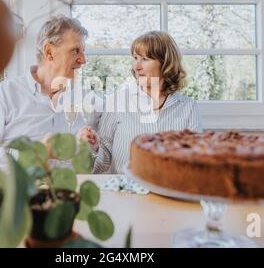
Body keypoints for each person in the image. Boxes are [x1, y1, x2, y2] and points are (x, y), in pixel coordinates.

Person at [0, 15, 101, 170]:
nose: (83, 60)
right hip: (19, 191)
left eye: (83, 51)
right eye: (75, 51)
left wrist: (91, 146)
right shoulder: (4, 94)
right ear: (49, 52)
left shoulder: (88, 100)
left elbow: (96, 157)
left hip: (71, 191)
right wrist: (36, 153)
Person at [78, 31, 202, 174]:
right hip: (126, 192)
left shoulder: (188, 107)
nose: (136, 67)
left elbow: (195, 162)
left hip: (170, 191)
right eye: (135, 58)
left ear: (165, 63)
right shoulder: (118, 101)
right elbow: (101, 164)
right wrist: (94, 148)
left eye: (145, 59)